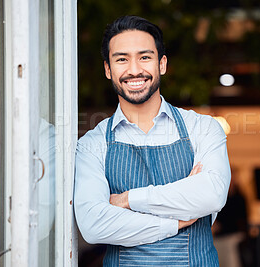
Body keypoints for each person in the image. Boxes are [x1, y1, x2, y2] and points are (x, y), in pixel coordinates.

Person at [74, 15, 231, 266]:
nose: (134, 69)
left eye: (144, 57)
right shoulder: (92, 143)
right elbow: (94, 225)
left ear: (162, 64)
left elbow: (211, 195)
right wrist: (175, 221)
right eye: (122, 59)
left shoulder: (203, 128)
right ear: (108, 69)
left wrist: (126, 200)